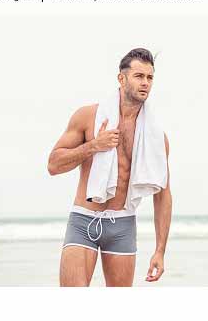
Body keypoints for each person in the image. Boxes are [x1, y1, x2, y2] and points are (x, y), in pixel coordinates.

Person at [44, 48, 173, 287]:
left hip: (122, 225)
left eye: (150, 77)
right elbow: (53, 164)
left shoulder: (156, 137)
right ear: (121, 78)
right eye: (139, 76)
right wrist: (94, 145)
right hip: (84, 219)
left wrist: (160, 251)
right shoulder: (88, 117)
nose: (145, 83)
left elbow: (163, 194)